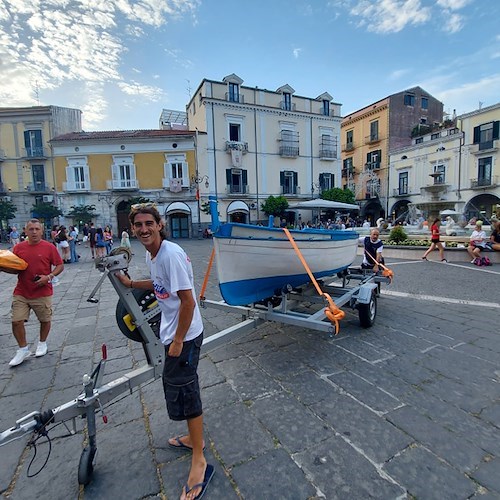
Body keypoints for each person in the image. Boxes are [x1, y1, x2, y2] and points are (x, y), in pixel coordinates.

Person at [115, 204, 212, 500]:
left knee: (186, 390)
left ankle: (200, 459)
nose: (143, 229)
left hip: (185, 335)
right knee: (178, 387)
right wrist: (132, 283)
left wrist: (179, 340)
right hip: (173, 332)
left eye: (148, 224)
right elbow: (161, 286)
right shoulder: (152, 253)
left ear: (159, 225)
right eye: (138, 225)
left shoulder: (169, 254)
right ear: (133, 229)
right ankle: (194, 438)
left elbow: (188, 302)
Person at [1, 219, 64, 367]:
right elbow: (16, 268)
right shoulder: (18, 248)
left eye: (37, 229)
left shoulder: (49, 247)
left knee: (45, 320)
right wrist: (4, 267)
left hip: (42, 291)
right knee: (16, 321)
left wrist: (48, 277)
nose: (34, 232)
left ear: (42, 231)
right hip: (22, 291)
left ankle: (42, 343)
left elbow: (60, 265)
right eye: (31, 229)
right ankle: (23, 349)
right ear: (25, 231)